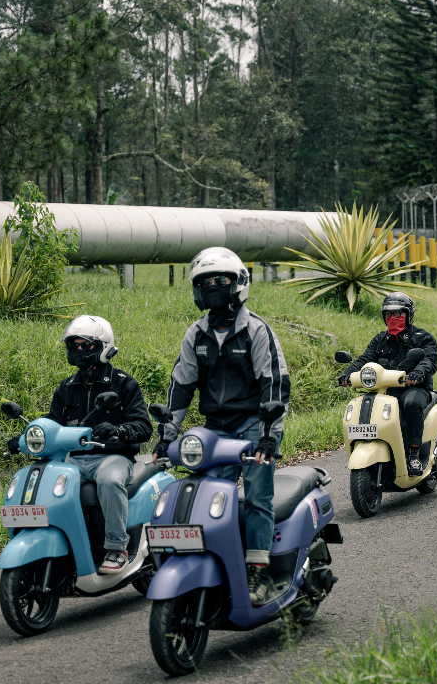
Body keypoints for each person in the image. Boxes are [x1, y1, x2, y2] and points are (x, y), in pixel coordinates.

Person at [156, 247, 290, 606]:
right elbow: (180, 387)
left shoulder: (256, 331)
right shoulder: (195, 335)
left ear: (238, 285)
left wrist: (268, 436)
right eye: (205, 283)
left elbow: (274, 385)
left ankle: (258, 570)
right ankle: (215, 560)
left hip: (253, 426)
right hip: (213, 429)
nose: (213, 287)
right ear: (197, 291)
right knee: (209, 494)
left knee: (258, 495)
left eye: (221, 280)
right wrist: (166, 435)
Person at [9, 315, 153, 575]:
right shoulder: (66, 388)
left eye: (85, 345)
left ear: (103, 347)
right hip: (73, 460)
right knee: (42, 481)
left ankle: (116, 548)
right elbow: (53, 424)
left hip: (112, 458)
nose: (79, 351)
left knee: (109, 481)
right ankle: (63, 544)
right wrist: (26, 438)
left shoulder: (124, 383)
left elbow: (143, 427)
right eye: (73, 346)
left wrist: (119, 430)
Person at [338, 292, 437, 475]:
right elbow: (365, 359)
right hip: (385, 390)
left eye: (398, 313)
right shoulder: (380, 340)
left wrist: (417, 373)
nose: (393, 318)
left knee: (411, 403)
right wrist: (347, 374)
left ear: (409, 315)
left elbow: (429, 360)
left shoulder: (423, 338)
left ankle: (414, 454)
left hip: (413, 388)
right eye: (388, 314)